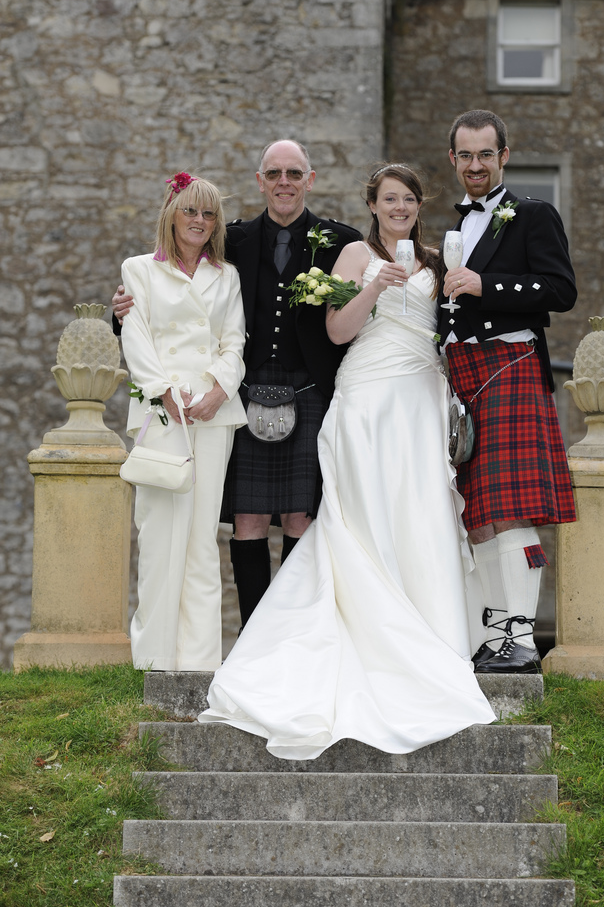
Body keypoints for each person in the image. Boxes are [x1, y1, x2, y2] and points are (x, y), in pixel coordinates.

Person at [197, 164, 496, 760]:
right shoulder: (355, 254)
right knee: (355, 516)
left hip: (418, 399)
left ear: (418, 204)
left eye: (409, 199)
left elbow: (449, 330)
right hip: (364, 398)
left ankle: (430, 633)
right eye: (390, 199)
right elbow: (336, 332)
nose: (400, 207)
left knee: (421, 511)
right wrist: (374, 287)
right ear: (374, 204)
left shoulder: (438, 261)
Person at [114, 141, 361, 631]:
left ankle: (293, 637)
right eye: (274, 173)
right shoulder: (235, 241)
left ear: (309, 180)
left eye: (294, 173)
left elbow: (360, 314)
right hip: (242, 392)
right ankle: (254, 637)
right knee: (245, 518)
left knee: (300, 517)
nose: (284, 182)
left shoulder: (341, 241)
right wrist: (120, 314)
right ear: (260, 180)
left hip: (311, 390)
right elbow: (169, 301)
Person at [437, 109, 577, 675]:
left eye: (485, 155)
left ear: (504, 157)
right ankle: (497, 635)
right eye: (465, 156)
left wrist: (484, 284)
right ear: (453, 159)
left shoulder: (532, 214)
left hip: (510, 364)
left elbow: (561, 289)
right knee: (479, 513)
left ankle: (521, 639)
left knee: (513, 510)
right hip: (461, 373)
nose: (475, 165)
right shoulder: (452, 227)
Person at [120, 173, 247, 671]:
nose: (199, 221)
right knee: (158, 538)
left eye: (208, 213)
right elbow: (137, 336)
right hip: (161, 414)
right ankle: (153, 662)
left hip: (212, 416)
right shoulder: (138, 270)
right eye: (190, 210)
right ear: (171, 213)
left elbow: (234, 341)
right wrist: (164, 392)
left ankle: (199, 666)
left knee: (200, 541)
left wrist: (219, 388)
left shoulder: (227, 276)